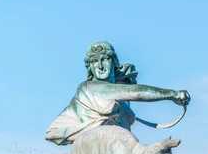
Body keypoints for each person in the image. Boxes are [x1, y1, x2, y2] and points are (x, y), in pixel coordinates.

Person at [45, 41, 190, 145]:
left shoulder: (119, 98)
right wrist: (173, 94)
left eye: (105, 59)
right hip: (97, 150)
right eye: (94, 62)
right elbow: (136, 93)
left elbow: (129, 90)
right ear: (90, 67)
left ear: (114, 62)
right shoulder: (92, 88)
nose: (100, 66)